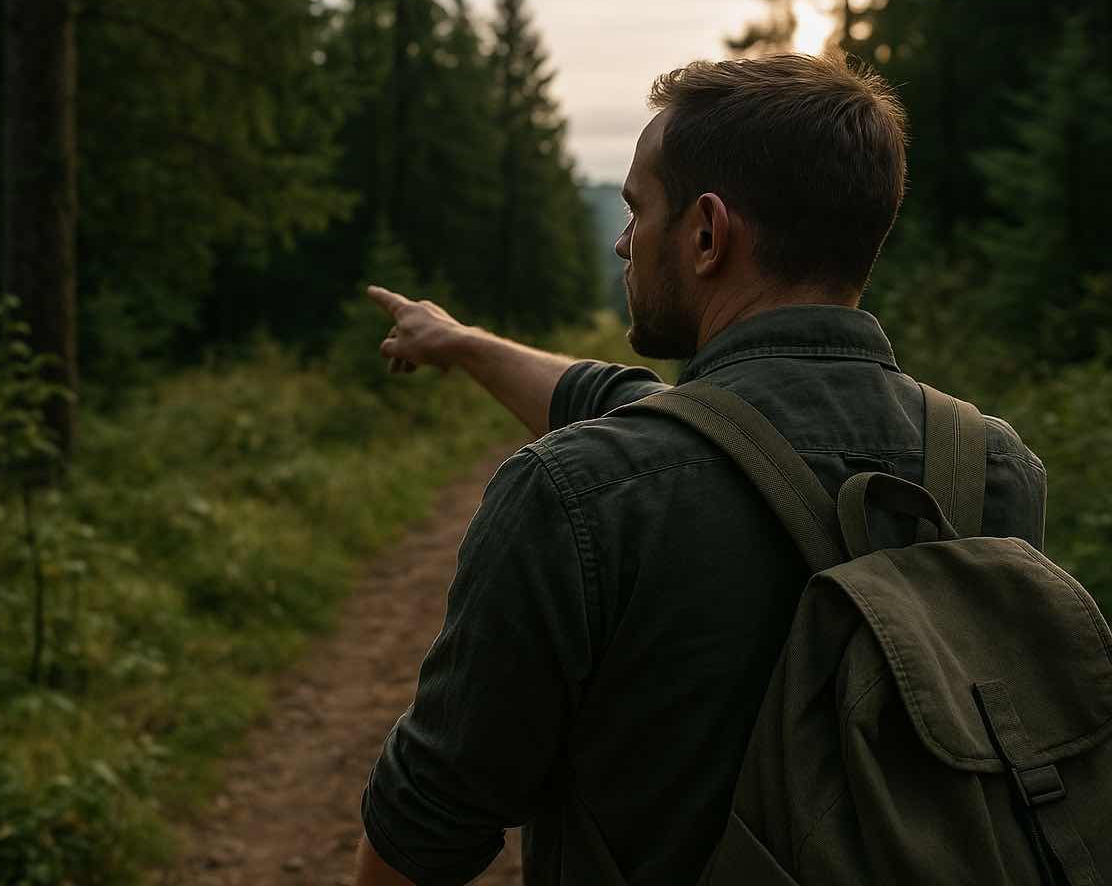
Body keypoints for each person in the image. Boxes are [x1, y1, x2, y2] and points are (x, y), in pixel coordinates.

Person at [351, 53, 1047, 886]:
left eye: (637, 210)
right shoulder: (993, 468)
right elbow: (638, 407)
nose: (622, 241)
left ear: (708, 234)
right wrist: (463, 344)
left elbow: (428, 828)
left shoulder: (577, 496)